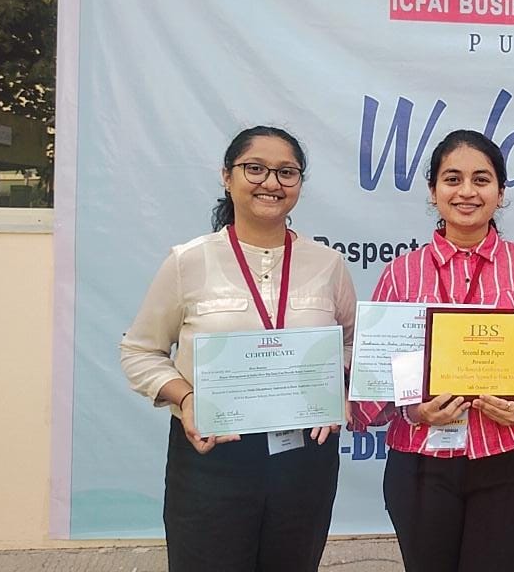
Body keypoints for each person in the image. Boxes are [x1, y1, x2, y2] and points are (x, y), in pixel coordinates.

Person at [120, 125, 355, 572]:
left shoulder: (328, 264)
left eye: (287, 172)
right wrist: (187, 399)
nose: (271, 182)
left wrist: (334, 384)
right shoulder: (188, 261)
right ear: (227, 177)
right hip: (213, 457)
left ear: (300, 184)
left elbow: (349, 343)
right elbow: (140, 351)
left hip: (304, 458)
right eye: (255, 169)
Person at [349, 129, 514, 572]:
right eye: (452, 178)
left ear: (500, 192)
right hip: (420, 462)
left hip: (506, 460)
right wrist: (411, 410)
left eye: (481, 179)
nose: (467, 191)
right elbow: (375, 364)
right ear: (433, 190)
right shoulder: (401, 274)